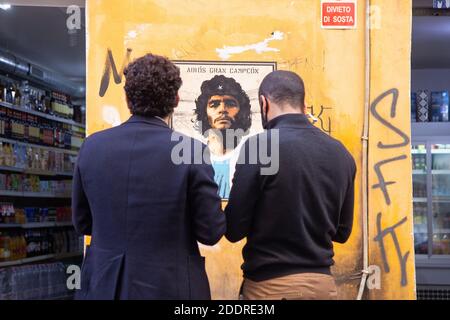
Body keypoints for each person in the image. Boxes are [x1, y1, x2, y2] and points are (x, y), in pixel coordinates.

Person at [72, 53, 225, 300]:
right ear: (175, 100)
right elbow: (210, 231)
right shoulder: (192, 151)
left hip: (105, 286)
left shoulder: (92, 146)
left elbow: (83, 223)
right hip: (171, 287)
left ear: (127, 97)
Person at [225, 70, 356, 300]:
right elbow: (342, 232)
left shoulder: (260, 147)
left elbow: (234, 229)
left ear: (264, 103)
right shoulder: (341, 153)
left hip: (270, 288)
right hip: (323, 288)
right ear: (304, 104)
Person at [194, 75, 252, 198]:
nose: (223, 110)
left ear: (242, 111)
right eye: (214, 104)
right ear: (204, 113)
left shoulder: (252, 157)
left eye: (230, 103)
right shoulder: (193, 159)